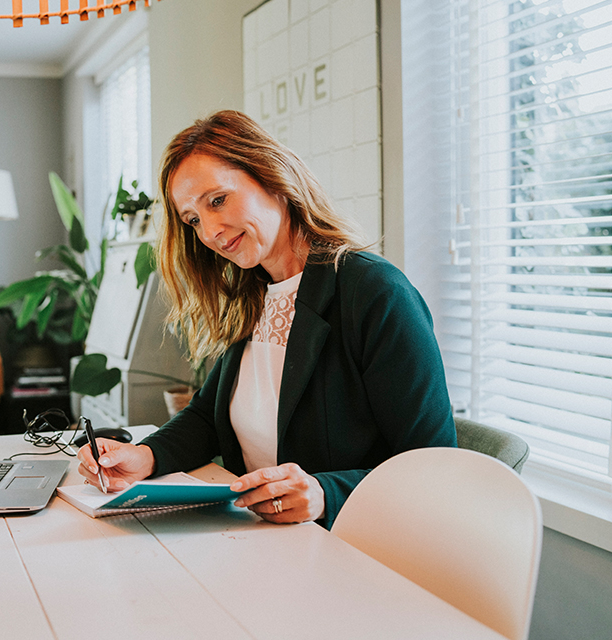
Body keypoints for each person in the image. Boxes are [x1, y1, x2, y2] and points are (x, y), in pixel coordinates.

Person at [76, 110, 456, 529]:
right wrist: (146, 455)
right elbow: (208, 417)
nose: (210, 232)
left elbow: (432, 467)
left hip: (349, 545)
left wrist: (324, 494)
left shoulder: (376, 293)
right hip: (263, 537)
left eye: (218, 200)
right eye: (194, 220)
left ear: (271, 176)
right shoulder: (253, 293)